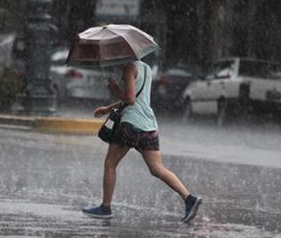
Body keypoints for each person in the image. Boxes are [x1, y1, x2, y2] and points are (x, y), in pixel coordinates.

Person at [82, 59, 202, 223]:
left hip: (131, 125)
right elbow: (138, 98)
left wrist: (116, 89)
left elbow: (130, 99)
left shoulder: (129, 68)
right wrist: (109, 108)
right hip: (149, 126)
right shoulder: (146, 68)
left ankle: (105, 208)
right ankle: (189, 198)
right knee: (157, 168)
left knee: (110, 164)